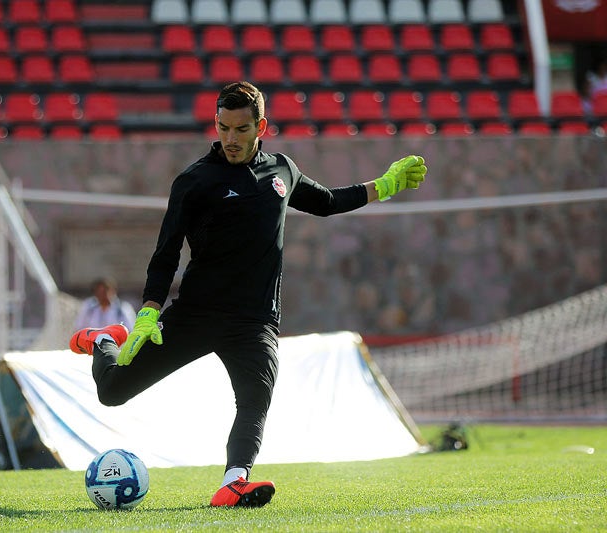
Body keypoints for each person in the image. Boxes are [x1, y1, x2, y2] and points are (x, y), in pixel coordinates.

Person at [69, 81, 427, 508]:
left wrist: (384, 185)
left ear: (261, 126)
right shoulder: (195, 180)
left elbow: (328, 201)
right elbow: (166, 252)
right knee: (112, 393)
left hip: (254, 321)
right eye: (223, 128)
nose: (231, 138)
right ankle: (105, 340)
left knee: (256, 396)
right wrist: (148, 312)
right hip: (196, 313)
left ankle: (233, 481)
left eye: (241, 129)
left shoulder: (281, 171)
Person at [70, 276, 135, 335]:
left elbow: (130, 330)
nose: (102, 295)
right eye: (99, 291)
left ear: (113, 291)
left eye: (105, 291)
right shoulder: (88, 307)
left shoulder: (123, 308)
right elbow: (79, 328)